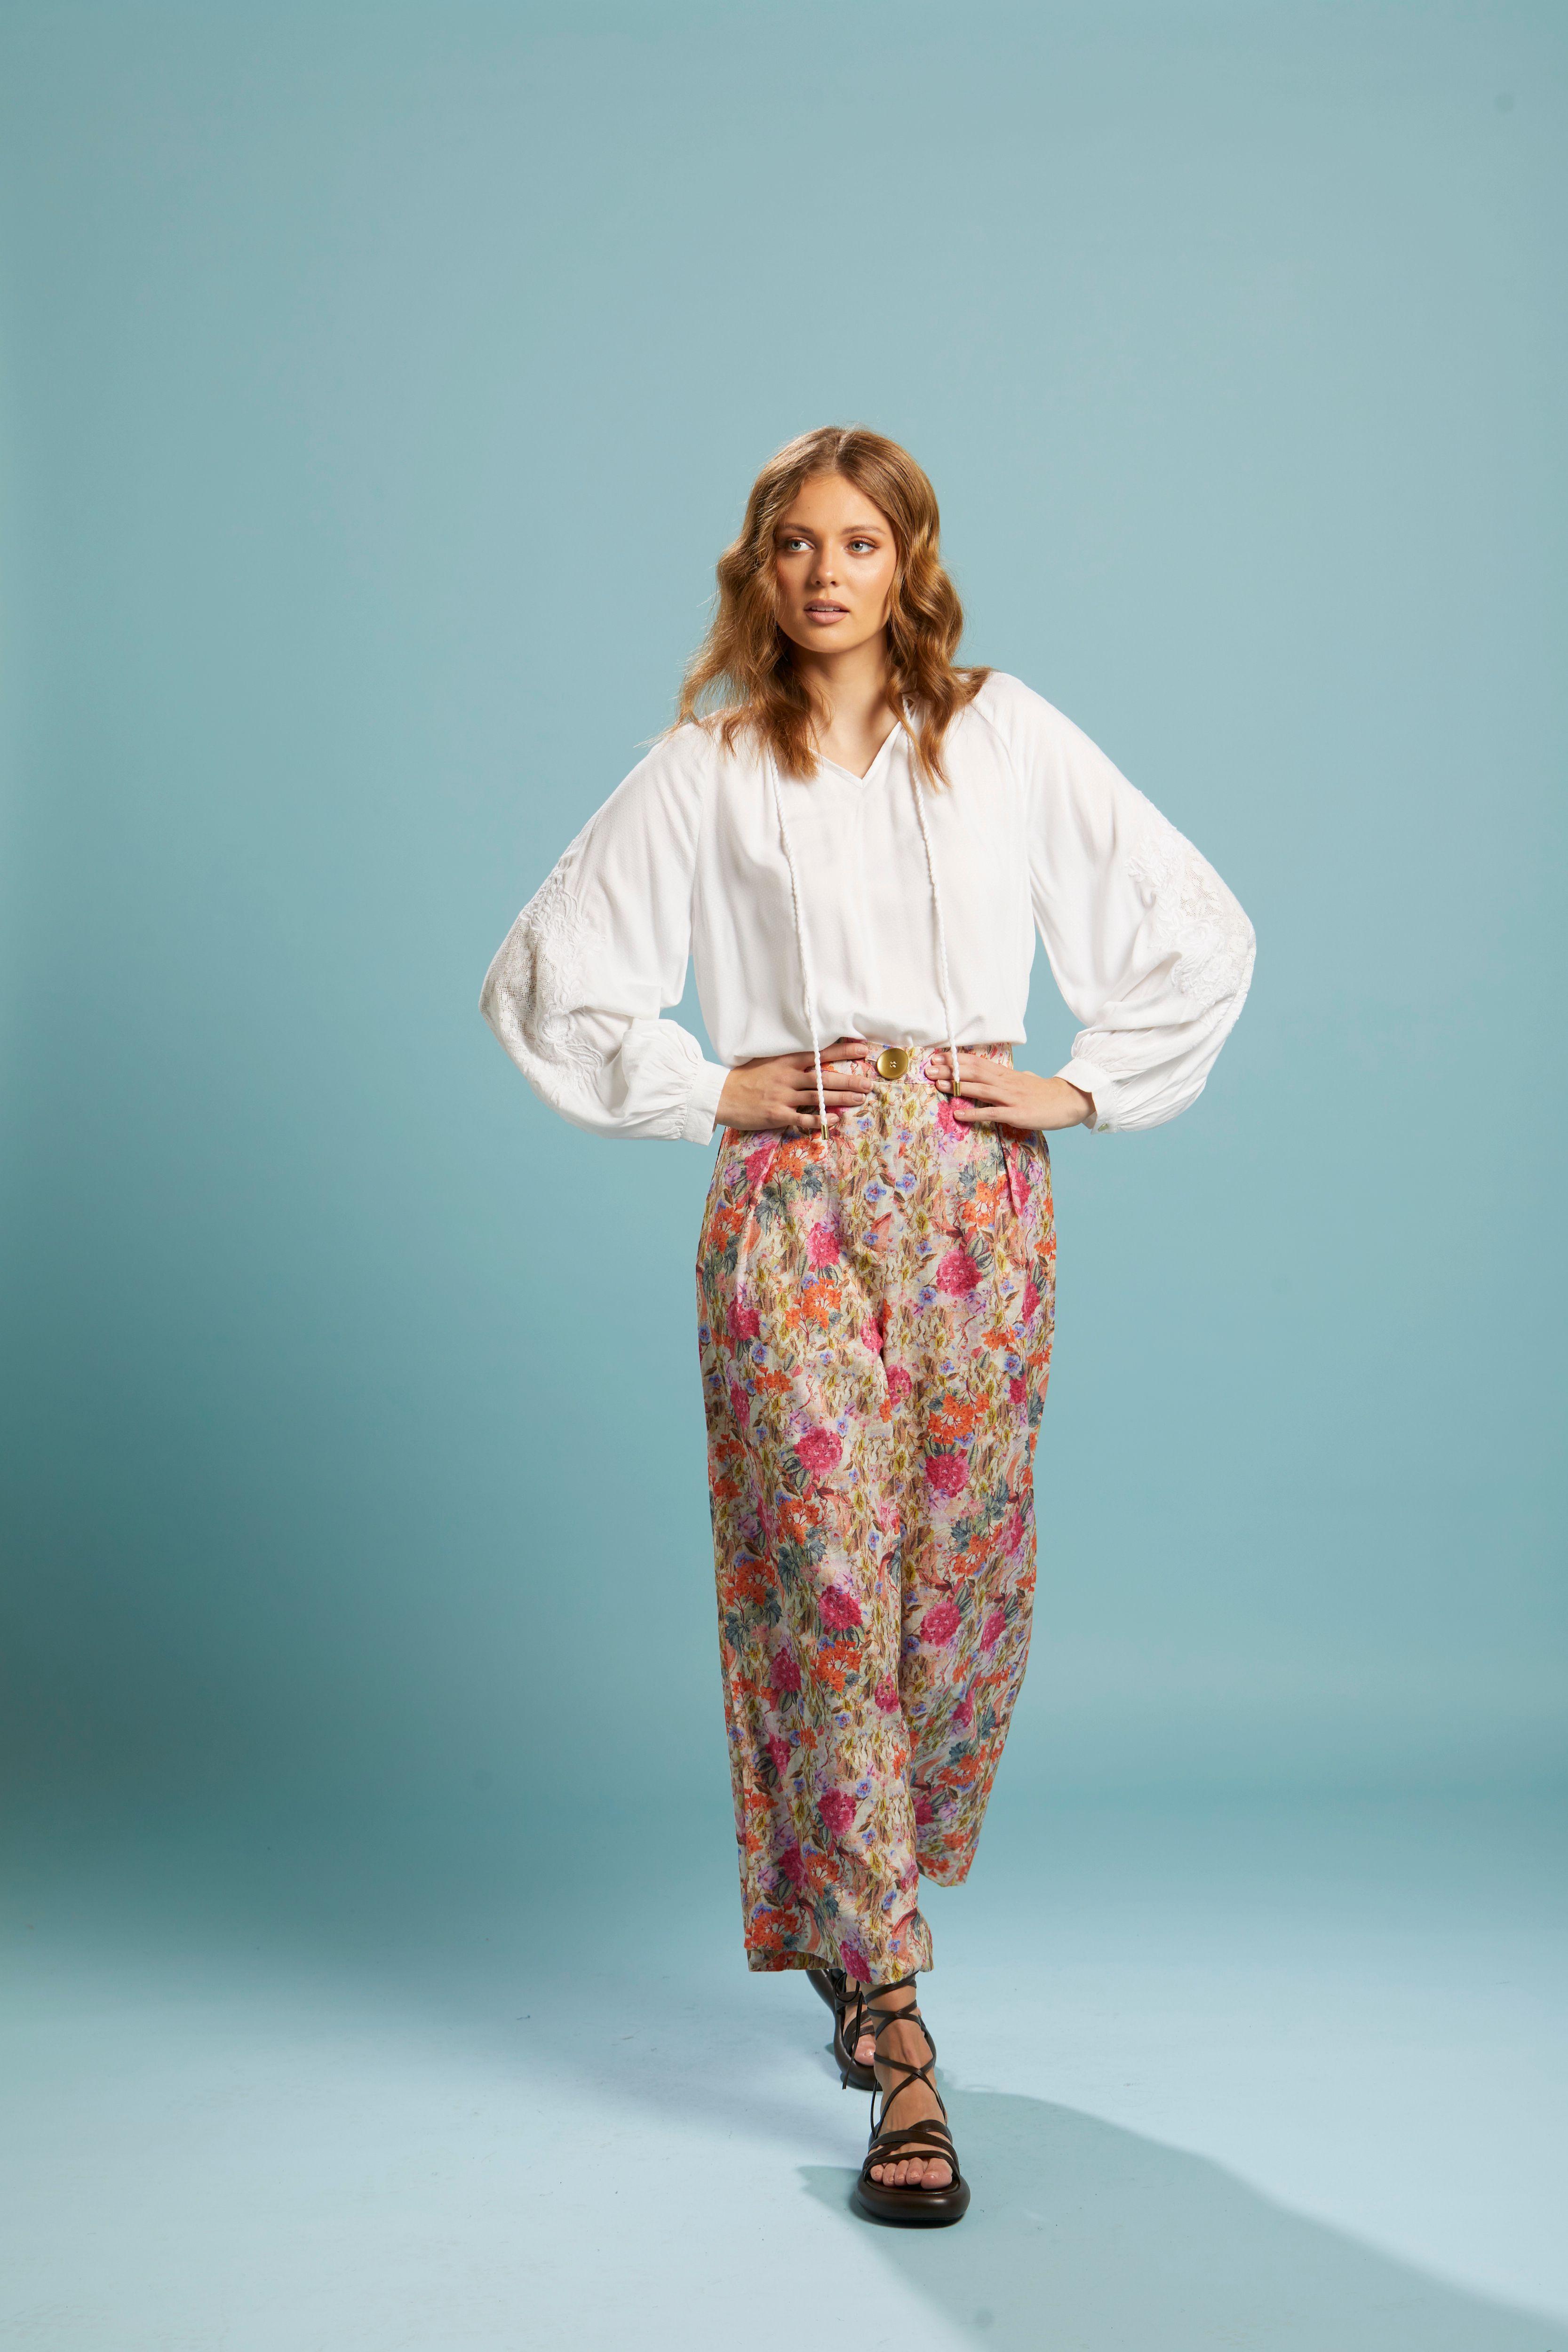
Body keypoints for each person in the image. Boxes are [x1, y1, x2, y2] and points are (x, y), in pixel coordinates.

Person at [480, 425, 1255, 2225]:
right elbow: (549, 973)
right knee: (823, 1578)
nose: (824, 572)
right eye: (794, 543)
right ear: (758, 569)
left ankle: (859, 1905)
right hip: (795, 1207)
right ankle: (898, 2028)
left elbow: (1192, 922)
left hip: (979, 1207)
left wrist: (1086, 1089)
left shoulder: (1000, 734)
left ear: (909, 564)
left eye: (858, 542)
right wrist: (706, 1090)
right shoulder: (709, 765)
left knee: (949, 1591)